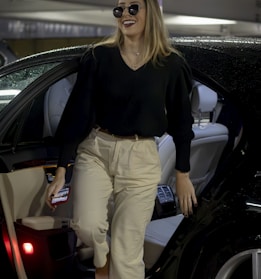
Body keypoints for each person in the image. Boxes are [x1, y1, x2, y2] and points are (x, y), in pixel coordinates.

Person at [45, 0, 198, 278]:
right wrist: (61, 170)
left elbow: (181, 123)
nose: (124, 14)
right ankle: (102, 257)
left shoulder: (171, 64)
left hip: (141, 158)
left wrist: (182, 174)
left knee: (128, 256)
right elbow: (76, 114)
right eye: (119, 9)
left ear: (150, 11)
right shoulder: (98, 57)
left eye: (132, 7)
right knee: (86, 227)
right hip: (96, 151)